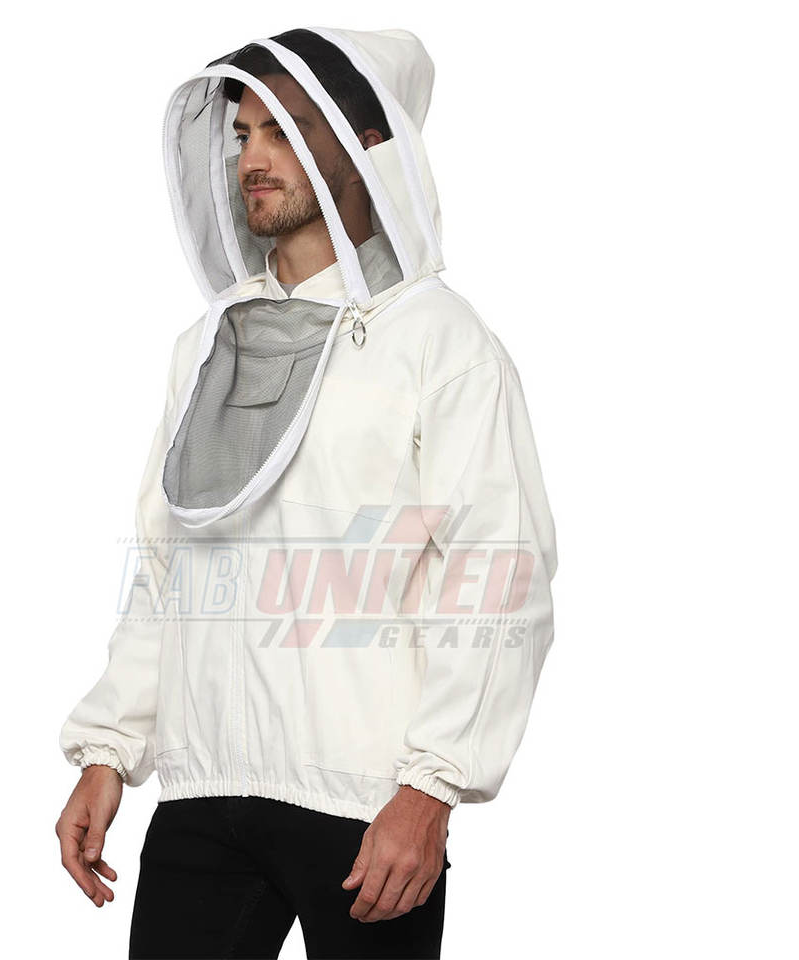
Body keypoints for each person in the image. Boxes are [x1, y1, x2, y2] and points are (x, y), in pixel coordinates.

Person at [56, 26, 558, 960]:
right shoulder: (206, 346)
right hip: (204, 795)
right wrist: (108, 751)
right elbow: (168, 566)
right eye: (243, 134)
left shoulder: (438, 342)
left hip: (365, 808)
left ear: (365, 147)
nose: (253, 157)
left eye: (284, 130)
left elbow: (499, 572)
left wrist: (431, 790)